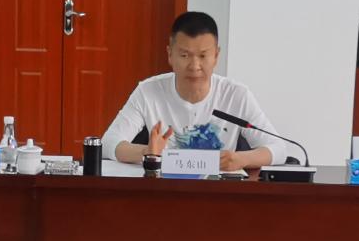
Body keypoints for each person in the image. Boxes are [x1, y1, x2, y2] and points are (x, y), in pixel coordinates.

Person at [107, 12, 276, 171]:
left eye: (203, 56)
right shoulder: (148, 91)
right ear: (170, 54)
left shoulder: (236, 95)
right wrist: (147, 152)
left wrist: (242, 159)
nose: (194, 66)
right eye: (184, 55)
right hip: (166, 188)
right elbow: (108, 143)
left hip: (218, 189)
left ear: (216, 56)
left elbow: (277, 148)